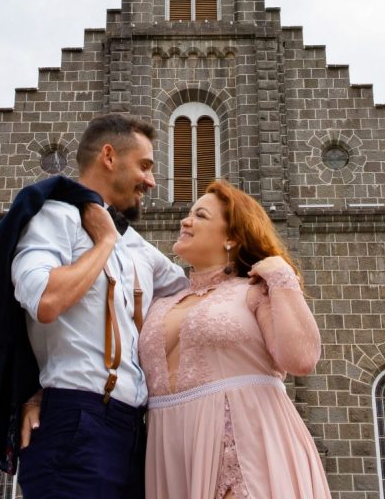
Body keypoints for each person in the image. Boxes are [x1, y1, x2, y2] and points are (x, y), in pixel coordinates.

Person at [10, 114, 187, 499]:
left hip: (138, 432)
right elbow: (44, 298)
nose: (151, 181)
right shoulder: (53, 218)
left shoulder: (140, 246)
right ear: (109, 156)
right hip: (76, 424)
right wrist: (104, 242)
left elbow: (196, 296)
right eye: (144, 165)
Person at [138, 180, 332, 499]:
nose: (185, 221)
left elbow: (301, 358)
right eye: (188, 214)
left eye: (200, 215)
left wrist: (282, 277)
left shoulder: (255, 292)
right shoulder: (160, 301)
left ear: (231, 238)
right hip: (169, 451)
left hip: (248, 447)